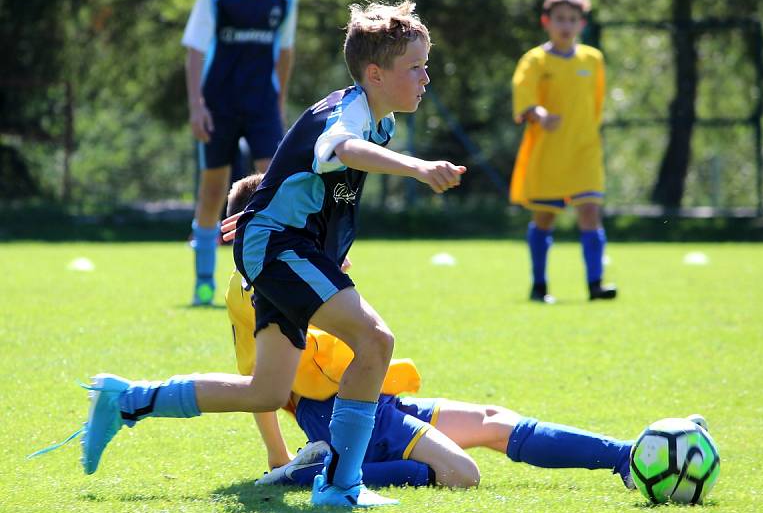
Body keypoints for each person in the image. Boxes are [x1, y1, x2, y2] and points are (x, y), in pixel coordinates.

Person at [71, 0, 465, 508]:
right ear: (376, 73)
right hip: (278, 247)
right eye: (415, 67)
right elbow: (340, 150)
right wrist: (415, 167)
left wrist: (322, 254)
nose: (426, 77)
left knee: (266, 392)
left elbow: (314, 189)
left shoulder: (378, 120)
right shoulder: (347, 115)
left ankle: (127, 400)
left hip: (281, 247)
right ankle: (341, 486)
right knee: (375, 340)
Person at [222, 173, 639, 491]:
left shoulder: (309, 262)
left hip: (376, 400)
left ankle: (626, 457)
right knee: (460, 474)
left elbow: (341, 195)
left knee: (495, 421)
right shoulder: (254, 286)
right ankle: (316, 471)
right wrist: (279, 460)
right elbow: (257, 384)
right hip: (337, 413)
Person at [182, 0, 298, 305]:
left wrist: (278, 102)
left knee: (273, 184)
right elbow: (196, 51)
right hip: (219, 104)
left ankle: (274, 273)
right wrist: (197, 105)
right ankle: (203, 281)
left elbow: (285, 52)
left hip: (262, 104)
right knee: (214, 188)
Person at [510, 0, 617, 304]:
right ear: (547, 21)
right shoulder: (534, 60)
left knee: (590, 212)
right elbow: (524, 97)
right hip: (549, 153)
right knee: (544, 219)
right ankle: (539, 286)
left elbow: (596, 103)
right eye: (560, 19)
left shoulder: (593, 60)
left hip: (585, 150)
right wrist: (539, 113)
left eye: (572, 19)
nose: (566, 26)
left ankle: (596, 284)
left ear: (582, 24)